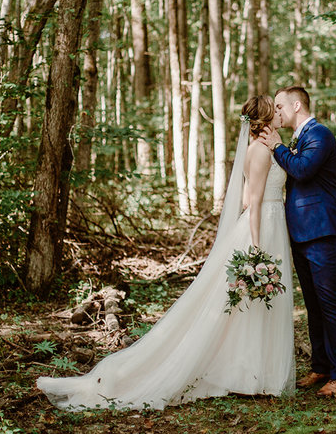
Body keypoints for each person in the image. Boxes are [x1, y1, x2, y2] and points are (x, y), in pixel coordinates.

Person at [36, 96, 295, 411]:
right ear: (266, 117)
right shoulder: (258, 152)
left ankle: (255, 373)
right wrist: (255, 249)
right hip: (260, 230)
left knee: (252, 306)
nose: (281, 113)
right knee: (243, 305)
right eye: (276, 109)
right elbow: (250, 203)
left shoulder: (268, 148)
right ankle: (248, 375)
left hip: (270, 223)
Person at [259, 86, 336, 398]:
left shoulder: (320, 134)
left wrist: (276, 147)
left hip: (323, 231)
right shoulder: (300, 138)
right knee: (312, 304)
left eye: (281, 106)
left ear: (297, 105)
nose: (277, 112)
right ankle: (321, 366)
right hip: (300, 233)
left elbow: (303, 169)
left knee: (329, 302)